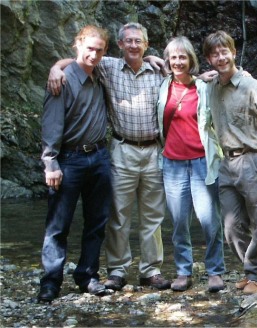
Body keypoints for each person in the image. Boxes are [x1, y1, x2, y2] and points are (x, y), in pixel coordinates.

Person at [47, 22, 170, 291]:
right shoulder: (107, 66)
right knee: (118, 215)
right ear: (120, 45)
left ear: (146, 45)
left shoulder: (161, 70)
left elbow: (189, 78)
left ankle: (151, 270)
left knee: (153, 216)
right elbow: (81, 59)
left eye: (139, 41)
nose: (134, 45)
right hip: (121, 148)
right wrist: (56, 67)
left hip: (154, 150)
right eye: (129, 41)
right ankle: (117, 270)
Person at [202, 30, 257, 295]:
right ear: (209, 59)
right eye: (215, 54)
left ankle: (256, 275)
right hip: (226, 163)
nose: (221, 57)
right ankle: (251, 269)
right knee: (230, 226)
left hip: (254, 160)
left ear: (233, 52)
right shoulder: (212, 86)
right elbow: (180, 78)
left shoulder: (252, 86)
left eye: (225, 51)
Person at [37, 25, 112, 303]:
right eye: (89, 48)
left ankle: (87, 276)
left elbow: (134, 57)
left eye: (99, 50)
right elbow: (51, 124)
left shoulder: (102, 74)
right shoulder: (62, 80)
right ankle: (50, 282)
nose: (93, 54)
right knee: (58, 225)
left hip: (100, 158)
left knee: (96, 221)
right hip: (68, 159)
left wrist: (154, 59)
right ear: (78, 45)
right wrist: (50, 163)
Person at [157, 36, 225, 292]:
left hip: (201, 161)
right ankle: (183, 271)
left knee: (209, 219)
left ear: (191, 60)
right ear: (168, 61)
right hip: (172, 163)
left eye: (182, 57)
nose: (178, 62)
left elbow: (229, 77)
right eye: (173, 57)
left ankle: (215, 271)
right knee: (179, 222)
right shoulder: (163, 86)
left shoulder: (204, 86)